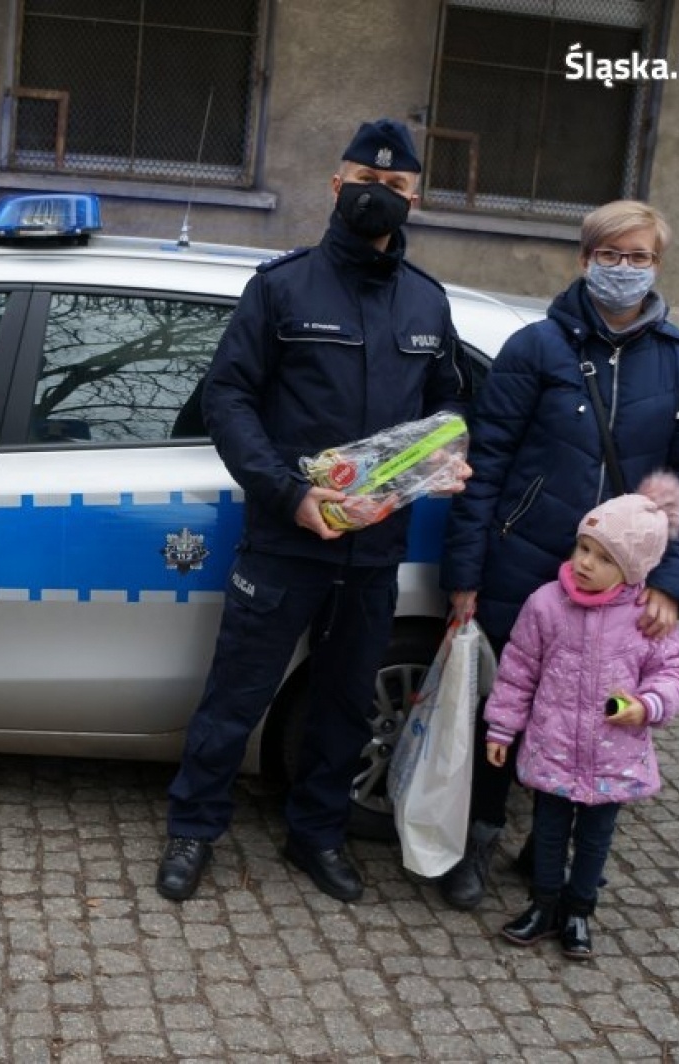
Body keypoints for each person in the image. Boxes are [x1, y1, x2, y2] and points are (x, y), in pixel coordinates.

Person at [157, 119, 470, 903]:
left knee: (343, 704)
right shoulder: (281, 287)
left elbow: (448, 410)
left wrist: (444, 462)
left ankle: (317, 835)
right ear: (336, 185)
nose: (377, 195)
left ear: (415, 199)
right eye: (365, 180)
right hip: (285, 539)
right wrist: (290, 495)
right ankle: (193, 830)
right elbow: (228, 399)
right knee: (236, 696)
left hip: (374, 549)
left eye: (394, 186)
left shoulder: (427, 302)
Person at [436, 199, 679, 911]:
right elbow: (487, 464)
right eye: (611, 255)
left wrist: (674, 582)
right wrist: (465, 574)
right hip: (526, 561)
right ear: (585, 259)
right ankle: (480, 836)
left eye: (639, 256)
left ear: (657, 264)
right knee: (506, 704)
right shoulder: (536, 347)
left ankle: (547, 846)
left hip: (623, 583)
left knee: (592, 710)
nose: (625, 268)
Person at [483, 474, 679, 959]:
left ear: (632, 569)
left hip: (613, 755)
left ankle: (579, 910)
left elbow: (672, 673)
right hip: (553, 747)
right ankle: (543, 904)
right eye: (583, 549)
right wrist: (502, 727)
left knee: (595, 839)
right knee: (549, 832)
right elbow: (518, 669)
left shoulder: (645, 616)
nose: (585, 564)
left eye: (603, 558)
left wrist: (648, 705)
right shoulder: (546, 604)